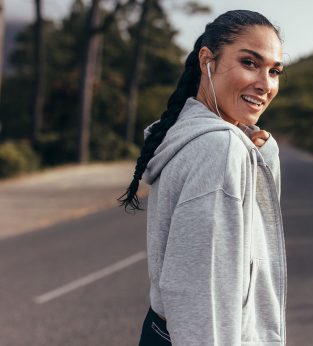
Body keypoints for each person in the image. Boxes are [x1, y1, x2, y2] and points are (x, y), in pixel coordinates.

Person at [118, 9, 287, 346]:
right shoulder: (219, 147)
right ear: (207, 60)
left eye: (274, 71)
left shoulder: (192, 135)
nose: (265, 84)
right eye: (250, 63)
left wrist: (264, 157)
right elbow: (204, 289)